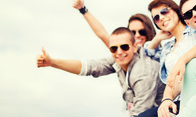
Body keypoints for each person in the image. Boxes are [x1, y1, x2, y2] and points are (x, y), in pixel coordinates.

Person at [37, 27, 165, 117]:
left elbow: (141, 113)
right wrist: (52, 62)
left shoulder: (143, 73)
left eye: (124, 47)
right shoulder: (120, 60)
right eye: (113, 48)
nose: (119, 52)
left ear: (134, 47)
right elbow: (90, 67)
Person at [72, 0, 156, 47]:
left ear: (149, 31)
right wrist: (82, 9)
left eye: (142, 32)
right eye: (133, 32)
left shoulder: (161, 54)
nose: (137, 35)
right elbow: (102, 34)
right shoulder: (124, 53)